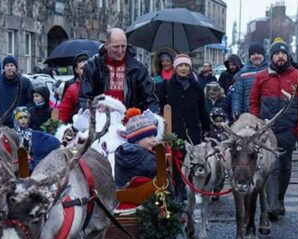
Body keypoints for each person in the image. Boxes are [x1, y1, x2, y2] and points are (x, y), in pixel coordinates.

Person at [249, 39, 298, 220]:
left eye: (283, 53)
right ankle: (271, 204)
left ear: (288, 56)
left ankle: (279, 199)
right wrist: (257, 124)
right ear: (272, 56)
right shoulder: (262, 77)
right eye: (277, 53)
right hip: (267, 129)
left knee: (284, 167)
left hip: (288, 129)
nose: (280, 56)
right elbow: (254, 102)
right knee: (270, 166)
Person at [158, 53, 211, 199]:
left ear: (190, 68)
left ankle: (189, 190)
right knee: (174, 163)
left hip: (192, 132)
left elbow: (202, 110)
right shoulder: (166, 86)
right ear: (175, 68)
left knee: (191, 162)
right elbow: (159, 107)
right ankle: (177, 190)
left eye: (186, 65)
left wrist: (208, 128)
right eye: (180, 65)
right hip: (173, 132)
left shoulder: (196, 87)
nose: (183, 68)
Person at [80, 28, 160, 113]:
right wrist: (90, 117)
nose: (120, 50)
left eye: (123, 46)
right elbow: (85, 97)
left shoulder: (138, 68)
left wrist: (154, 119)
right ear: (106, 45)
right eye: (116, 47)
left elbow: (149, 99)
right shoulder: (92, 65)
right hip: (100, 119)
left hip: (130, 119)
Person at [114, 109, 159, 189]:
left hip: (122, 198)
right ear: (136, 140)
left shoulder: (120, 154)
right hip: (146, 199)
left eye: (154, 136)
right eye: (149, 136)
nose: (154, 140)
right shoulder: (148, 158)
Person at [12, 106, 60, 171]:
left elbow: (54, 142)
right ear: (15, 119)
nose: (23, 120)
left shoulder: (33, 133)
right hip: (15, 164)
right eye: (20, 118)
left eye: (25, 117)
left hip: (30, 165)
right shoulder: (11, 133)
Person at [0, 55, 33, 126]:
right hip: (2, 123)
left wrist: (24, 113)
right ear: (3, 68)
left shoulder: (25, 82)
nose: (9, 68)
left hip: (20, 123)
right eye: (7, 66)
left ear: (16, 68)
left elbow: (31, 101)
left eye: (12, 65)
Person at [232, 42, 268, 120]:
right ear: (249, 56)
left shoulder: (271, 70)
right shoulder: (242, 72)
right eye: (253, 54)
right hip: (248, 113)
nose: (256, 56)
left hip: (267, 113)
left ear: (263, 55)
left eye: (259, 53)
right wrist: (236, 110)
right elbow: (238, 94)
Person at [58, 54, 89, 123]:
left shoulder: (101, 85)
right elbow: (64, 113)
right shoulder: (72, 89)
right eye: (82, 68)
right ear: (76, 70)